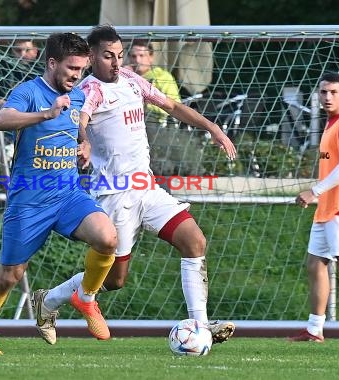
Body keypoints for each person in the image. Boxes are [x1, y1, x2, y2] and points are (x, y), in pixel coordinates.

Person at [32, 25, 237, 347]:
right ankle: (50, 299)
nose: (115, 62)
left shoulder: (130, 79)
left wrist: (212, 127)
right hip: (114, 194)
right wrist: (83, 142)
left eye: (119, 55)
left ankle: (199, 325)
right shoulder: (87, 91)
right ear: (91, 57)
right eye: (107, 56)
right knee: (114, 280)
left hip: (147, 188)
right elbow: (79, 122)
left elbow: (170, 106)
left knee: (194, 241)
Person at [0, 32, 118, 356]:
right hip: (29, 199)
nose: (77, 75)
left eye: (81, 69)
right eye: (71, 68)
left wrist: (85, 144)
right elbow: (2, 120)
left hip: (67, 194)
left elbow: (78, 126)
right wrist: (46, 114)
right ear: (52, 63)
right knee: (10, 277)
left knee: (108, 238)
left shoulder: (77, 95)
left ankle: (85, 297)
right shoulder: (28, 92)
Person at [289, 72, 339, 343]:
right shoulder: (332, 122)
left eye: (334, 92)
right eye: (323, 92)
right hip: (328, 207)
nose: (328, 97)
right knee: (315, 264)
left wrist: (314, 191)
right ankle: (314, 330)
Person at [126, 40, 181, 128]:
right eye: (133, 56)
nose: (137, 60)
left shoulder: (163, 77)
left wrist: (146, 105)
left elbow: (175, 106)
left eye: (141, 55)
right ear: (129, 58)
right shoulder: (123, 77)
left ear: (151, 57)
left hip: (157, 125)